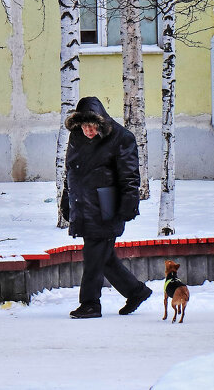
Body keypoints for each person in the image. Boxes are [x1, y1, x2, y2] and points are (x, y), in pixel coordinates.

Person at [61, 96, 152, 319]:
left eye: (93, 126)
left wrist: (129, 205)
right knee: (103, 256)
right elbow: (71, 171)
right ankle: (136, 291)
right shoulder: (76, 137)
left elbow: (129, 176)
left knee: (94, 256)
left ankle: (90, 303)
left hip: (106, 208)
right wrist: (66, 200)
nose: (89, 131)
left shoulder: (121, 138)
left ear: (101, 122)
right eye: (84, 126)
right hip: (84, 206)